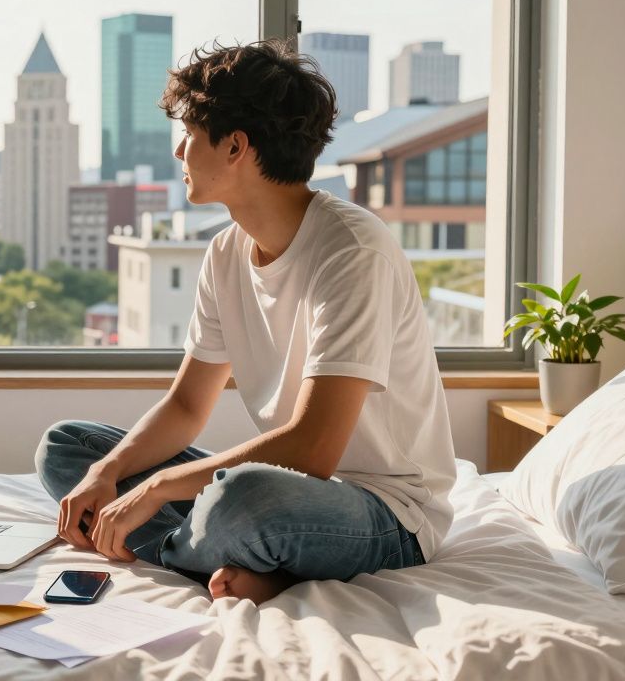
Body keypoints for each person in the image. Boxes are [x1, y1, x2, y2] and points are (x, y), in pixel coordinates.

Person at [35, 38, 456, 605]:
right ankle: (226, 558)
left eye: (189, 136)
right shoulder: (225, 253)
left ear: (235, 146)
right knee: (69, 450)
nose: (179, 152)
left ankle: (198, 548)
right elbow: (187, 407)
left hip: (385, 512)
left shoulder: (354, 250)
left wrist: (158, 489)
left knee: (247, 497)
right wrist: (108, 475)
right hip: (296, 490)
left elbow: (313, 449)